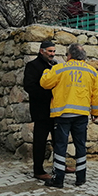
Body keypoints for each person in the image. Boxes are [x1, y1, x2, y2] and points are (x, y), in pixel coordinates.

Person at [40, 43, 98, 188]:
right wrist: (95, 112)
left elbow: (45, 83)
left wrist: (46, 71)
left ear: (69, 56)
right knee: (80, 145)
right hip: (81, 115)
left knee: (60, 146)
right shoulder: (92, 71)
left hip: (63, 114)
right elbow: (96, 95)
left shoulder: (60, 68)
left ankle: (58, 179)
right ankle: (81, 178)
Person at [23, 41, 62, 180]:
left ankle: (60, 166)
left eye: (54, 51)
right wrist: (48, 94)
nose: (52, 54)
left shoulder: (55, 66)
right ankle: (38, 170)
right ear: (42, 51)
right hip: (41, 111)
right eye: (50, 51)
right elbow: (29, 86)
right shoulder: (33, 66)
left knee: (59, 140)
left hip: (55, 110)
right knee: (40, 142)